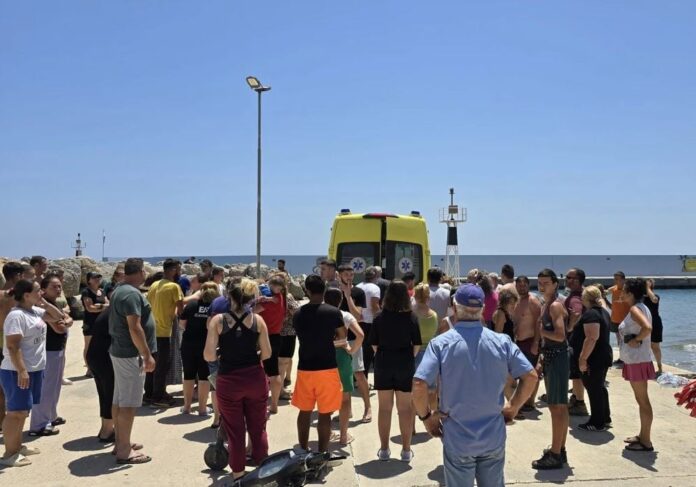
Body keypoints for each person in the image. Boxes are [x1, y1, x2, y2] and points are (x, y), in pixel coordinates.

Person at [413, 284, 537, 486]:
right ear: (482, 309)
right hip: (493, 436)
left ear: (454, 307)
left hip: (457, 438)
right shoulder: (502, 342)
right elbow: (530, 376)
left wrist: (427, 418)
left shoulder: (440, 344)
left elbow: (419, 384)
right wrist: (513, 407)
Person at [204, 278, 272, 480]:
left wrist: (222, 355)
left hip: (229, 379)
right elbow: (267, 353)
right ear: (251, 299)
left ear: (229, 297)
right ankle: (262, 471)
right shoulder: (258, 321)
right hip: (255, 378)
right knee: (258, 427)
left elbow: (208, 355)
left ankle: (238, 475)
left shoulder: (218, 321)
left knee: (235, 430)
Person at [1, 280, 60, 466]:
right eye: (37, 291)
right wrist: (22, 370)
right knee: (15, 412)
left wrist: (46, 304)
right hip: (17, 371)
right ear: (26, 295)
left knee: (24, 411)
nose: (41, 293)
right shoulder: (16, 316)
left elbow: (59, 317)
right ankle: (9, 454)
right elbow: (12, 346)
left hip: (34, 369)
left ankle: (17, 446)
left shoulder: (34, 311)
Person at [108, 257, 156, 465]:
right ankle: (124, 451)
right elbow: (134, 327)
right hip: (130, 354)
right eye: (144, 270)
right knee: (128, 403)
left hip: (120, 351)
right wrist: (146, 354)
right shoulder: (130, 294)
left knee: (119, 400)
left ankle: (121, 442)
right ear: (140, 272)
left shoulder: (120, 290)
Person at [368, 280, 422, 463]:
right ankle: (406, 450)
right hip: (404, 362)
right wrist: (406, 357)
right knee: (405, 408)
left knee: (384, 408)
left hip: (383, 362)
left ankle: (384, 449)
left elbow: (374, 344)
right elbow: (417, 345)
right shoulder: (411, 317)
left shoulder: (379, 317)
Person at [291, 275, 345, 453]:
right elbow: (342, 335)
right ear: (324, 290)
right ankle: (322, 453)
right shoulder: (333, 312)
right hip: (327, 367)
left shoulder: (298, 314)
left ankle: (302, 449)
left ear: (307, 290)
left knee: (304, 411)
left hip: (305, 367)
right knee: (325, 413)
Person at [532, 268, 570, 470]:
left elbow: (560, 335)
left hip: (557, 357)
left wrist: (541, 331)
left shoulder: (554, 306)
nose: (542, 286)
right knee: (560, 406)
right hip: (553, 357)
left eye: (546, 283)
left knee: (556, 407)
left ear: (555, 284)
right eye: (540, 282)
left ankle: (555, 454)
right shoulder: (548, 304)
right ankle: (559, 449)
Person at [29, 276, 73, 436]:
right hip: (48, 350)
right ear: (43, 289)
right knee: (46, 388)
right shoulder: (41, 306)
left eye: (60, 286)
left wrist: (66, 320)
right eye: (54, 287)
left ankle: (51, 416)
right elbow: (59, 328)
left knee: (54, 386)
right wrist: (66, 321)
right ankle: (39, 424)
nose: (58, 289)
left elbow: (67, 318)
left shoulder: (55, 304)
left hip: (57, 349)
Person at [324, 287, 364, 446]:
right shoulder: (345, 315)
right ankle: (343, 436)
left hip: (324, 356)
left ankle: (327, 432)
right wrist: (352, 350)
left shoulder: (320, 314)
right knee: (345, 398)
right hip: (342, 355)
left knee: (326, 396)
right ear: (341, 300)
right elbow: (360, 335)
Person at [619, 278, 655, 452]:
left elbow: (647, 328)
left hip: (637, 360)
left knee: (643, 401)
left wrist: (636, 339)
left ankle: (646, 441)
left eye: (624, 290)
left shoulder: (635, 309)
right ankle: (642, 435)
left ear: (631, 293)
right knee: (641, 400)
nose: (621, 293)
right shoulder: (642, 307)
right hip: (637, 359)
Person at [572, 286, 613, 431]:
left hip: (594, 358)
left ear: (585, 298)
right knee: (599, 387)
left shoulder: (591, 314)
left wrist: (583, 359)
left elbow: (591, 337)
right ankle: (605, 417)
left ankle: (597, 422)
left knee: (594, 389)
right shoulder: (603, 312)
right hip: (602, 356)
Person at [145, 258, 183, 407]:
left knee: (152, 364)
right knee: (162, 366)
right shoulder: (174, 287)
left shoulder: (154, 285)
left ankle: (148, 394)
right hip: (164, 331)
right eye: (178, 269)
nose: (180, 272)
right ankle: (158, 397)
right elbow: (180, 309)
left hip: (152, 330)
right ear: (173, 270)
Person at [338, 265, 372, 423]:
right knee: (343, 376)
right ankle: (348, 410)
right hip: (338, 340)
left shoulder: (358, 292)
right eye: (346, 274)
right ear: (339, 275)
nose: (350, 277)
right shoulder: (333, 291)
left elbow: (358, 316)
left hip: (353, 338)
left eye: (351, 274)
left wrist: (348, 297)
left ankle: (368, 407)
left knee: (359, 374)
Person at [179, 282, 219, 415]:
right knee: (204, 376)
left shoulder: (191, 305)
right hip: (207, 344)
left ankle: (187, 407)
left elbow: (182, 324)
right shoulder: (215, 307)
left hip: (188, 344)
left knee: (188, 375)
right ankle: (202, 408)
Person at [0, 262, 26, 431]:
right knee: (13, 386)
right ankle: (11, 423)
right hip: (10, 343)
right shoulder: (14, 297)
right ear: (17, 276)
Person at [257, 275, 287, 414]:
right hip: (276, 337)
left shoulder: (269, 301)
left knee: (263, 372)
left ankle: (261, 402)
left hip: (264, 338)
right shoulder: (280, 297)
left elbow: (249, 312)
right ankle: (274, 404)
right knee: (274, 372)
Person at [87, 304, 116, 442]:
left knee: (104, 394)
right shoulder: (115, 313)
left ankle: (105, 428)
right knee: (110, 394)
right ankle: (107, 431)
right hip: (104, 357)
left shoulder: (107, 311)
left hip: (95, 356)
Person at [512, 276, 542, 411]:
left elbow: (538, 322)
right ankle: (523, 400)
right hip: (518, 342)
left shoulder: (533, 301)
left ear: (528, 286)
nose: (522, 288)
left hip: (530, 341)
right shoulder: (516, 301)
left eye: (524, 285)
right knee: (521, 373)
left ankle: (530, 401)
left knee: (533, 373)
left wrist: (536, 342)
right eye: (519, 285)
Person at [412, 283, 439, 411]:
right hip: (430, 354)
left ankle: (412, 422)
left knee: (414, 391)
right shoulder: (434, 315)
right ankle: (433, 418)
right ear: (428, 297)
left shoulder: (412, 315)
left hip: (414, 352)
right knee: (432, 390)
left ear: (415, 296)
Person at [565, 268, 588, 416]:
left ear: (578, 280)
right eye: (567, 277)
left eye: (570, 277)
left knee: (576, 373)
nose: (567, 280)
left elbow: (577, 313)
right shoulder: (583, 294)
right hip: (582, 338)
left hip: (576, 339)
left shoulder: (575, 298)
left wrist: (570, 326)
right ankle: (575, 398)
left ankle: (579, 403)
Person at [492, 288, 518, 402]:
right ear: (505, 302)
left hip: (507, 349)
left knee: (511, 380)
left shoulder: (504, 313)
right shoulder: (501, 313)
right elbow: (498, 334)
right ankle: (513, 407)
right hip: (503, 351)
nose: (513, 305)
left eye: (514, 303)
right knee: (507, 381)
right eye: (511, 303)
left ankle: (513, 405)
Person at [81, 271, 109, 377]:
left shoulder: (102, 291)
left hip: (102, 323)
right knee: (89, 346)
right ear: (89, 280)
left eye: (99, 277)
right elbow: (90, 308)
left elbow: (108, 304)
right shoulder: (86, 292)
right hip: (90, 323)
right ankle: (89, 369)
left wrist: (99, 306)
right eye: (94, 277)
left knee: (101, 345)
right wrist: (103, 307)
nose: (97, 279)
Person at [607, 271, 631, 367]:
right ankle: (622, 358)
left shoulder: (628, 290)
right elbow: (604, 293)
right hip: (615, 319)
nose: (615, 281)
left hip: (626, 320)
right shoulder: (614, 289)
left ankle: (628, 358)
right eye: (615, 279)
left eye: (617, 279)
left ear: (623, 280)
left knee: (627, 340)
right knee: (619, 340)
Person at [644, 278, 664, 376]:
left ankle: (660, 367)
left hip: (655, 323)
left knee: (655, 346)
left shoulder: (656, 297)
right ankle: (647, 368)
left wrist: (648, 288)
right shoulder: (640, 298)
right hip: (644, 323)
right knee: (645, 346)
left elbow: (654, 300)